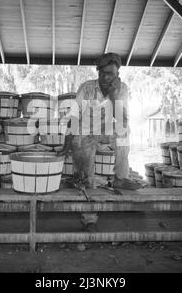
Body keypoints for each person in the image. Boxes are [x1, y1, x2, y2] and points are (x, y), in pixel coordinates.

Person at [58, 52, 141, 231]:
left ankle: (121, 178)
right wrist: (67, 145)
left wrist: (113, 95)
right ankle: (89, 218)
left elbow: (123, 119)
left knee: (124, 130)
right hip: (86, 132)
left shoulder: (123, 89)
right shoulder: (87, 88)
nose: (104, 77)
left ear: (117, 74)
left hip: (109, 129)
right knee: (85, 179)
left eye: (109, 74)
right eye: (101, 73)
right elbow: (73, 115)